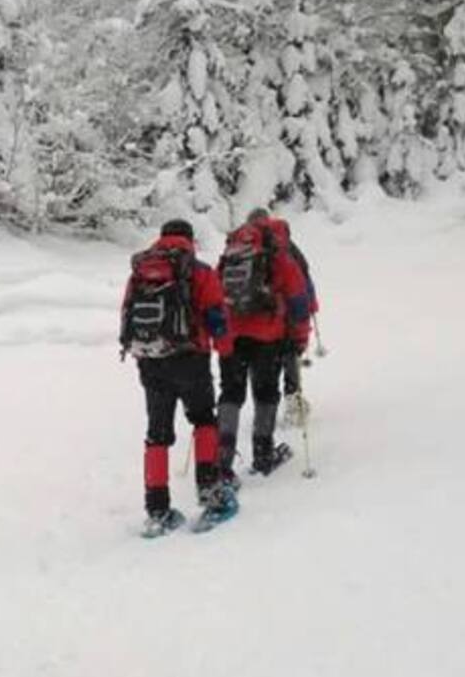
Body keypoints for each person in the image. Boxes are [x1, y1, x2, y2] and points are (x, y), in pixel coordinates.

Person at [119, 219, 234, 533]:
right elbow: (216, 316)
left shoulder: (141, 270)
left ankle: (157, 509)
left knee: (157, 433)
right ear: (190, 239)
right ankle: (211, 494)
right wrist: (225, 350)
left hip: (150, 359)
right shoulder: (198, 271)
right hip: (189, 358)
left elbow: (127, 312)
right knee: (203, 420)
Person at [216, 209, 310, 478]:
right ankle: (263, 454)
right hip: (268, 336)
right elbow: (297, 297)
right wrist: (300, 337)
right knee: (265, 393)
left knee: (230, 393)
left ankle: (222, 459)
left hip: (232, 334)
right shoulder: (277, 251)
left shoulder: (233, 251)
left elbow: (214, 288)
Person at [267, 216, 318, 402]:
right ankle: (293, 398)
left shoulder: (259, 250)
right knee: (291, 358)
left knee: (268, 363)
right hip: (289, 318)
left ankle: (266, 406)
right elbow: (305, 283)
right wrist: (311, 305)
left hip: (266, 319)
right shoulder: (292, 252)